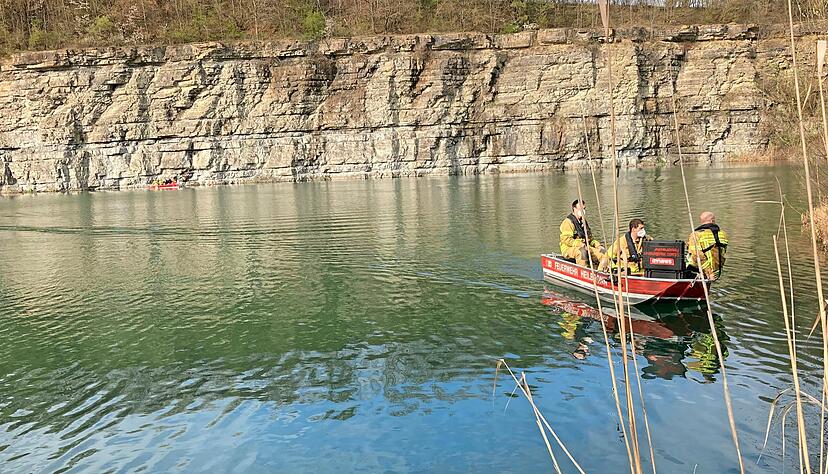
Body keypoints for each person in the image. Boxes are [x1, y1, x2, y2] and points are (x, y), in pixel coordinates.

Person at [559, 199, 606, 267]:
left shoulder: (583, 222)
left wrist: (598, 245)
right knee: (582, 252)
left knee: (603, 253)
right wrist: (581, 245)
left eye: (584, 208)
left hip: (586, 247)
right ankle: (584, 269)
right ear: (574, 208)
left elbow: (590, 239)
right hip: (569, 248)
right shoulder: (568, 222)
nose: (583, 211)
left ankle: (601, 270)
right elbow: (566, 239)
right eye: (580, 208)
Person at [687, 211, 729, 281]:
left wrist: (709, 272)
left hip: (700, 270)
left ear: (702, 221)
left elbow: (696, 255)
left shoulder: (696, 235)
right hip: (717, 270)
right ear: (712, 221)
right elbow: (722, 252)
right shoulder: (723, 234)